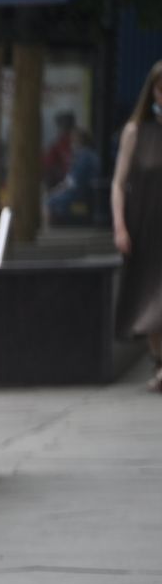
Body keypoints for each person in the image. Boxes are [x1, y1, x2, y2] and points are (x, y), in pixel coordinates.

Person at [113, 60, 162, 391]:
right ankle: (160, 364)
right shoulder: (135, 132)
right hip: (145, 227)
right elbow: (119, 182)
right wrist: (119, 227)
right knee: (148, 301)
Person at [47, 128, 99, 227]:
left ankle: (54, 229)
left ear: (80, 141)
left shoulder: (84, 156)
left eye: (74, 140)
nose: (72, 144)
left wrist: (57, 190)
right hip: (85, 192)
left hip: (80, 193)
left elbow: (73, 182)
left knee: (51, 201)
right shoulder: (88, 155)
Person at [43, 111, 78, 192]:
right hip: (63, 180)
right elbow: (47, 163)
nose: (63, 130)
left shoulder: (77, 141)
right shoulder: (58, 144)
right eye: (62, 126)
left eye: (67, 126)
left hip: (74, 180)